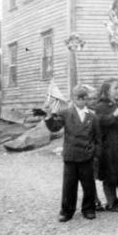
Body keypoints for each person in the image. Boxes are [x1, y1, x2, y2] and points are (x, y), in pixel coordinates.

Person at [44, 85, 102, 222]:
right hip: (71, 156)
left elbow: (97, 138)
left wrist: (95, 154)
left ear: (87, 99)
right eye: (78, 98)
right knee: (69, 185)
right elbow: (54, 127)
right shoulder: (66, 113)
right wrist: (48, 115)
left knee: (88, 185)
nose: (81, 100)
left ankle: (88, 209)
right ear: (73, 98)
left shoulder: (92, 117)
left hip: (87, 156)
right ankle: (66, 211)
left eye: (84, 98)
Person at [94, 79, 118, 212]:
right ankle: (111, 201)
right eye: (115, 88)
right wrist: (113, 116)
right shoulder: (100, 106)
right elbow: (99, 122)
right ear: (106, 91)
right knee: (110, 175)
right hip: (108, 146)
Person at [84, 85, 105, 212]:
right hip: (89, 147)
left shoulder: (100, 110)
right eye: (90, 98)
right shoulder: (85, 113)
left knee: (101, 173)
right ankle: (94, 199)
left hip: (102, 144)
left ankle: (111, 198)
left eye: (95, 98)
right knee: (89, 175)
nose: (93, 101)